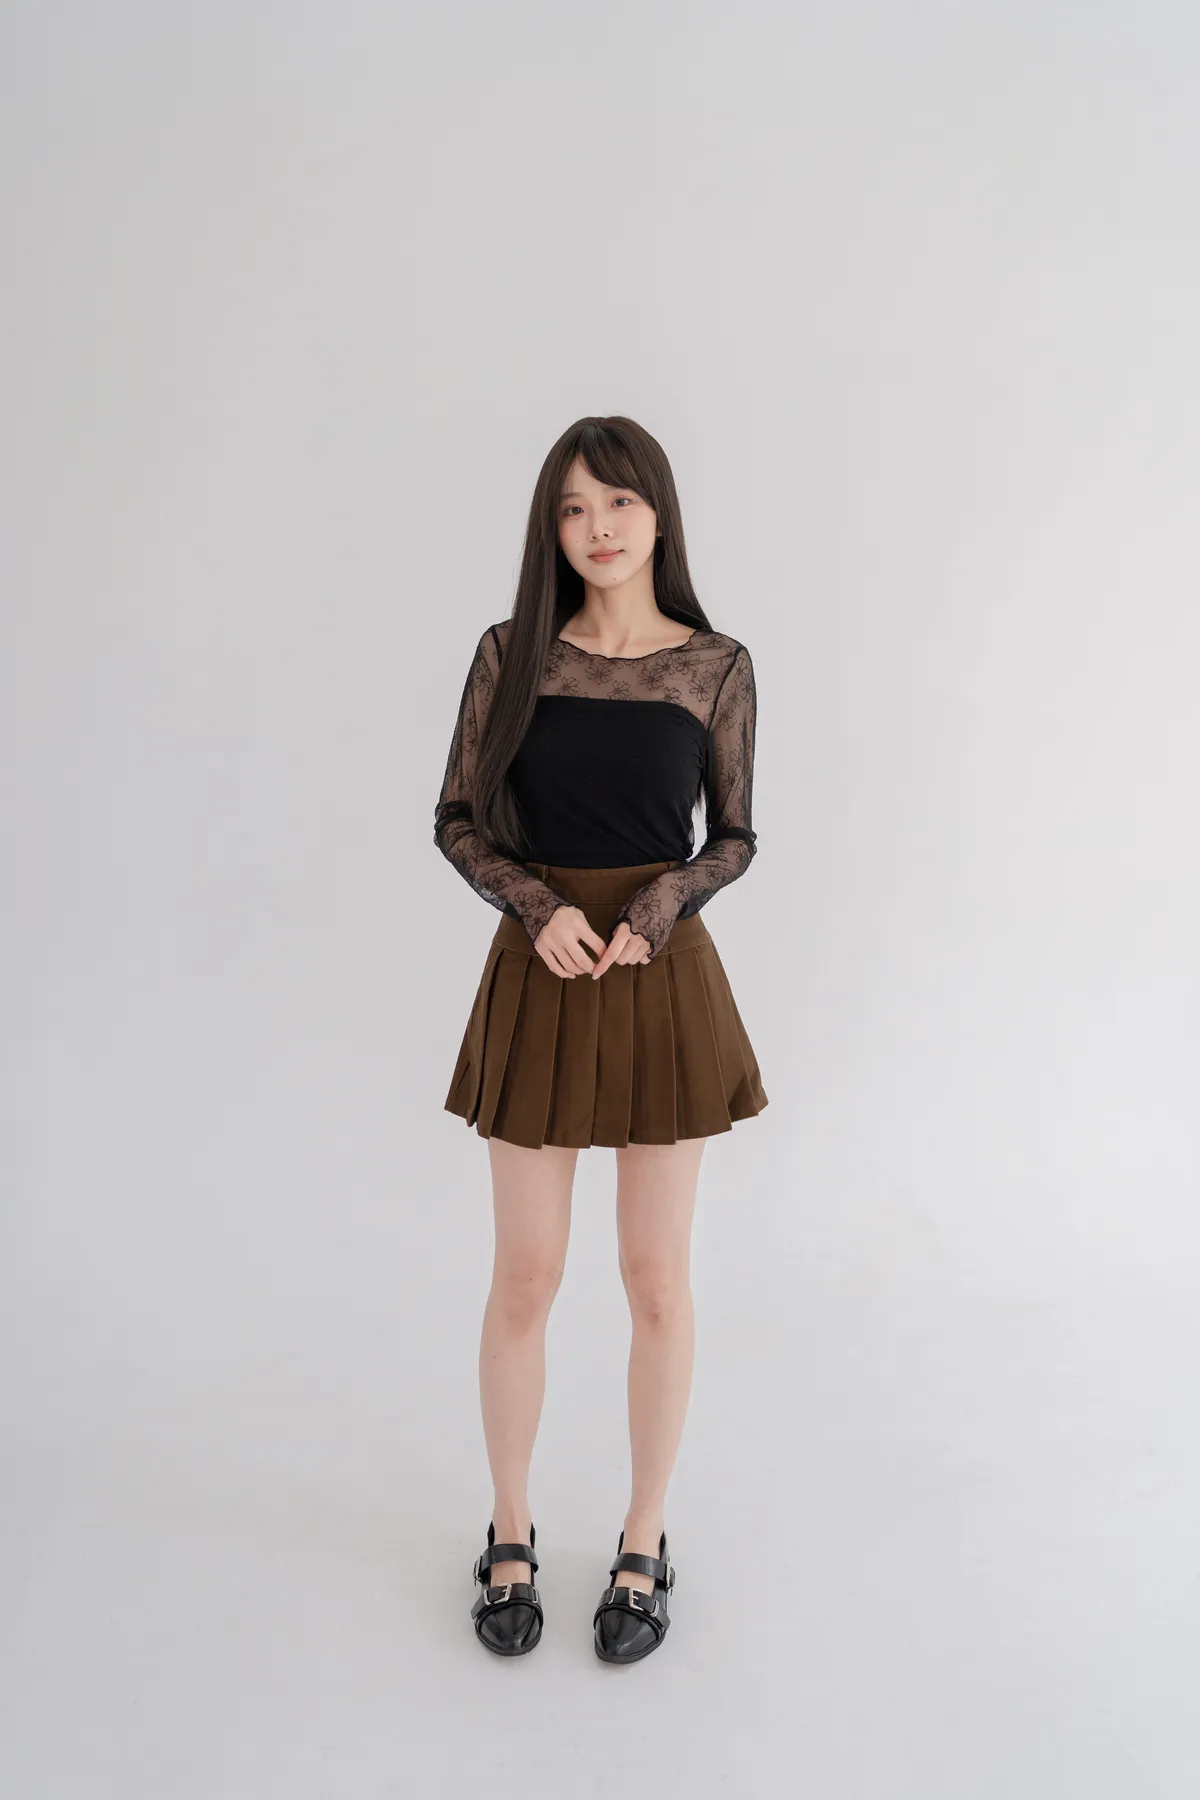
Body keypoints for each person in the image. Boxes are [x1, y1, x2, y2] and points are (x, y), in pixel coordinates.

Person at [433, 414, 768, 1663]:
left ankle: (642, 1537)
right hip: (543, 972)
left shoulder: (715, 665)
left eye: (619, 502)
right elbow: (458, 817)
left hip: (658, 977)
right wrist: (536, 908)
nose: (599, 527)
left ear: (659, 514)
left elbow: (732, 836)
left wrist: (663, 900)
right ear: (553, 528)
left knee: (655, 1279)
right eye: (573, 508)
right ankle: (511, 1529)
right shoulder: (510, 653)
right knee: (527, 1275)